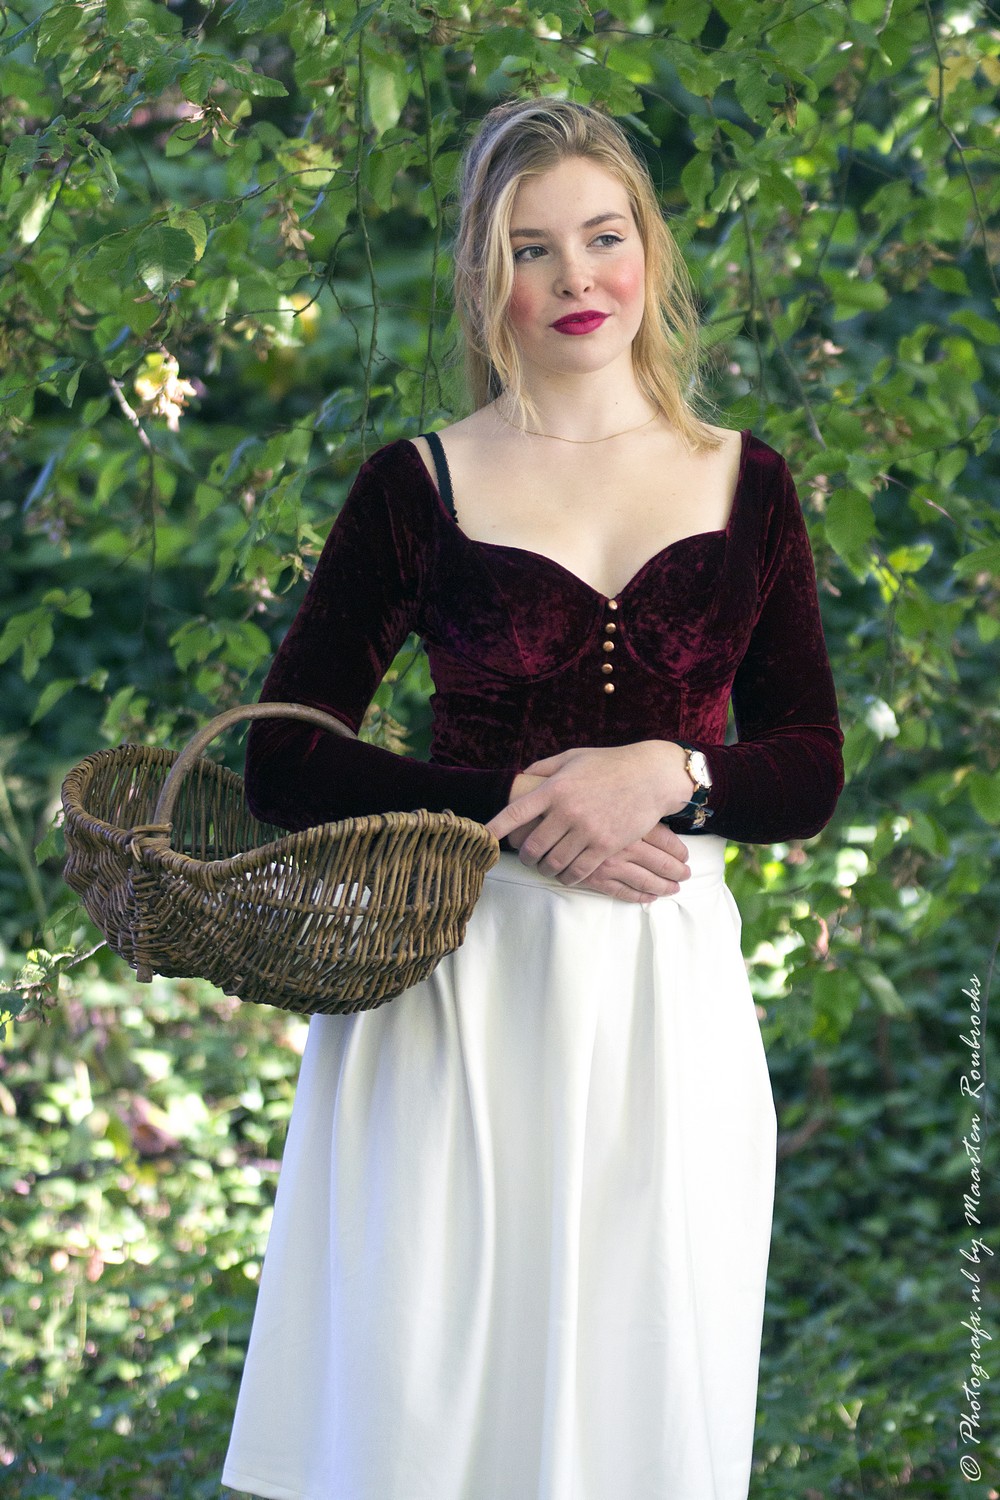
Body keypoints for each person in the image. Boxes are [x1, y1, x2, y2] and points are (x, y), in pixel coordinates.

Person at [221, 98, 844, 1500]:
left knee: (641, 1397)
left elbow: (807, 766)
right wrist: (522, 807)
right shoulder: (415, 486)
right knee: (429, 1407)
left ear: (649, 248)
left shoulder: (748, 484)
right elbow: (284, 760)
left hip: (664, 1003)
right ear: (483, 274)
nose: (577, 279)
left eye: (604, 237)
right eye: (532, 248)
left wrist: (671, 774)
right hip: (457, 983)